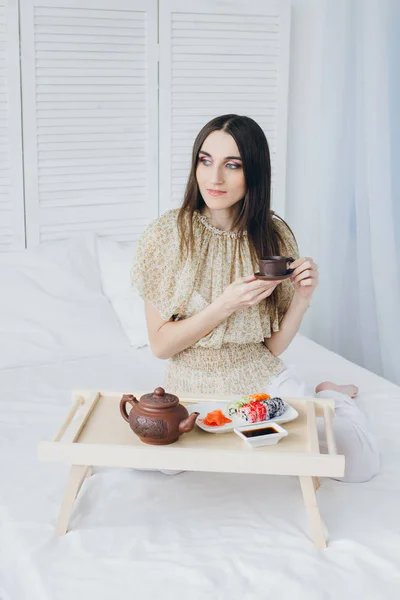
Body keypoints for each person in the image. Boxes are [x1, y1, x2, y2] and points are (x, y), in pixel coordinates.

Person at [132, 114, 379, 483]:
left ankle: (332, 397)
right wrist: (225, 304)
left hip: (261, 378)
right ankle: (318, 399)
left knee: (356, 466)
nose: (214, 178)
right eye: (205, 160)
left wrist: (302, 298)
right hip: (190, 382)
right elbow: (161, 346)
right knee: (150, 462)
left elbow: (272, 347)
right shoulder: (167, 235)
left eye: (232, 165)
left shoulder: (274, 235)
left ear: (254, 172)